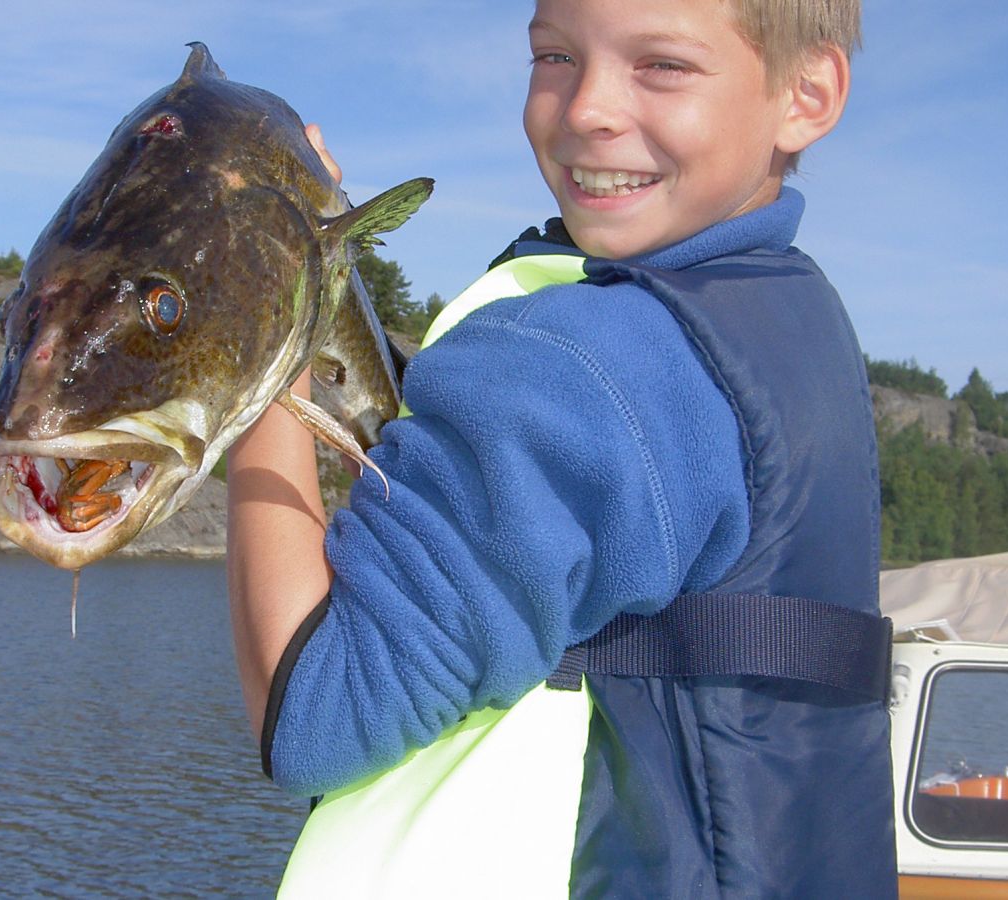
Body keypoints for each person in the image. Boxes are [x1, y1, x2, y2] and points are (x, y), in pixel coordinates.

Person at [227, 0, 898, 896]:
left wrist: (263, 324)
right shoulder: (783, 319)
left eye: (661, 64)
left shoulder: (589, 361)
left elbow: (313, 709)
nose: (586, 108)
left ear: (806, 95)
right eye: (555, 55)